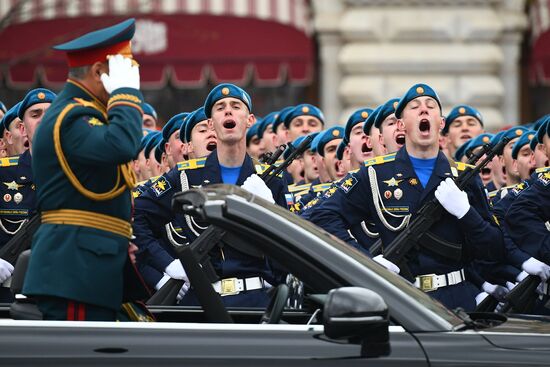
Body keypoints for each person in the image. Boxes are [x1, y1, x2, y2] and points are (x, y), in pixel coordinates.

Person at [309, 83, 503, 310]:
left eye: (431, 106)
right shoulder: (375, 173)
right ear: (401, 125)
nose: (423, 110)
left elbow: (495, 249)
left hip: (455, 299)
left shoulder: (465, 177)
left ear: (440, 123)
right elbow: (321, 216)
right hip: (400, 299)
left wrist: (466, 213)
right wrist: (366, 262)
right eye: (415, 107)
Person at [23, 18, 144, 321]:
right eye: (124, 70)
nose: (132, 77)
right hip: (75, 272)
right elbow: (122, 145)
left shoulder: (82, 113)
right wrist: (126, 94)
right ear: (99, 71)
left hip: (88, 269)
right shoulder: (74, 117)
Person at [133, 83, 289, 307]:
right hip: (200, 302)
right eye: (220, 107)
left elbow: (288, 245)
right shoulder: (185, 175)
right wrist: (168, 266)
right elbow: (137, 215)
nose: (228, 111)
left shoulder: (270, 179)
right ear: (211, 124)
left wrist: (270, 209)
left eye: (236, 106)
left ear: (250, 120)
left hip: (254, 301)